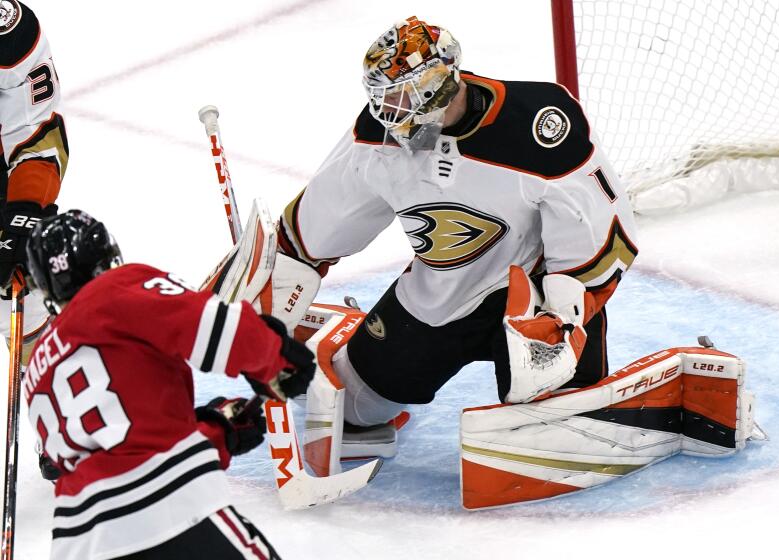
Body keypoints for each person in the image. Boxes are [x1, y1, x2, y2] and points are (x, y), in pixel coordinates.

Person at [217, 16, 639, 455]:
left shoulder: (537, 123)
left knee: (539, 395)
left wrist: (565, 313)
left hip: (528, 299)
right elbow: (317, 228)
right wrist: (268, 286)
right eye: (383, 98)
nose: (390, 112)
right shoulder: (377, 139)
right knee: (352, 407)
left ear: (440, 82)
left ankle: (563, 384)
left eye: (402, 96)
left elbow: (596, 224)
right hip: (438, 296)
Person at [23, 210, 316, 559]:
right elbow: (206, 323)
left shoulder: (38, 367)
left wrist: (218, 430)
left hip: (80, 543)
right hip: (172, 513)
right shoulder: (116, 290)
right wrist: (277, 360)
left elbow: (115, 454)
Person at [0, 0, 70, 359]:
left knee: (52, 377)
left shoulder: (8, 33)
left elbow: (36, 138)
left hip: (2, 235)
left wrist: (22, 219)